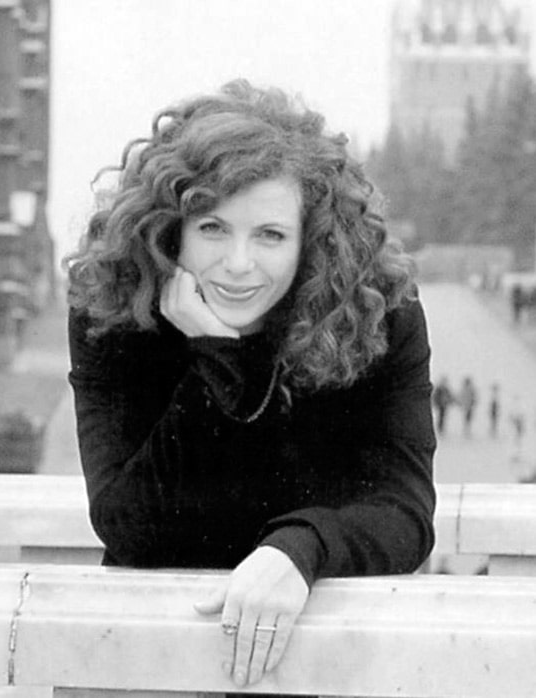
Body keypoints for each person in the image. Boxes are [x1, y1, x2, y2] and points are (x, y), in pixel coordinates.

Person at [65, 80, 436, 691]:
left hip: (326, 650)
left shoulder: (377, 312)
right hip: (154, 652)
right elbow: (127, 526)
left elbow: (406, 510)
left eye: (270, 235)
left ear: (310, 240)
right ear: (171, 230)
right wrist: (218, 360)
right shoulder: (113, 310)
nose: (239, 264)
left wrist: (301, 549)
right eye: (213, 228)